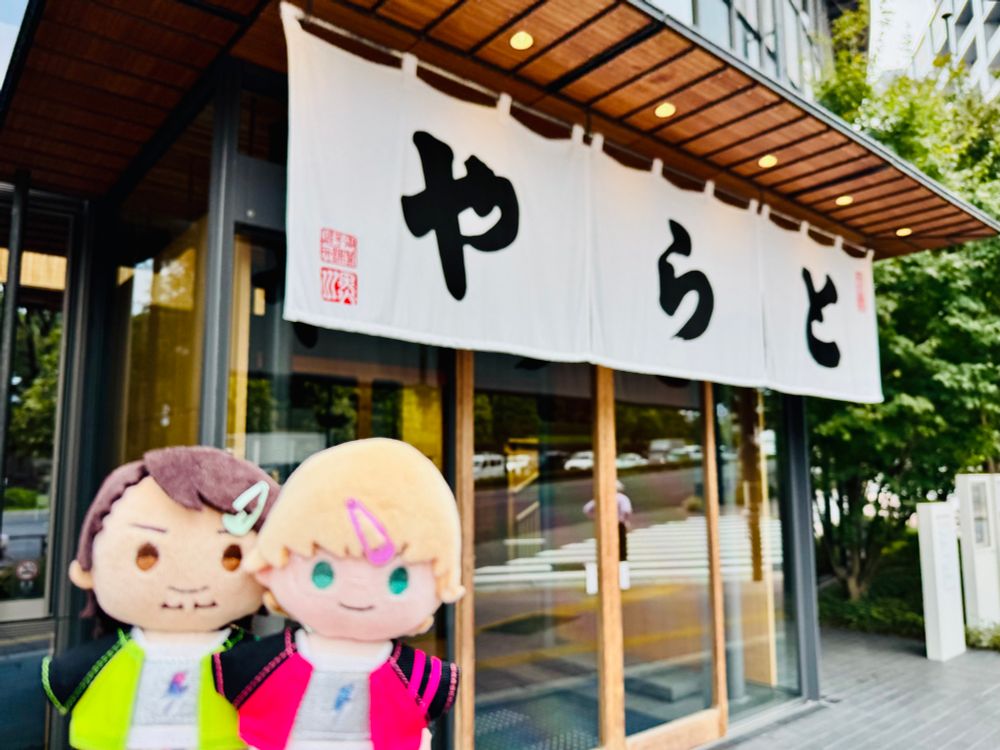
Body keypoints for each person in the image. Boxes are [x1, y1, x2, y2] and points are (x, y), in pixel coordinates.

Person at [213, 438, 463, 750]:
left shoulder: (413, 675)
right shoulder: (265, 661)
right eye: (323, 573)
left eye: (397, 579)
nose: (358, 589)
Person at [40, 446, 279, 750]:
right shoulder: (101, 660)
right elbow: (61, 678)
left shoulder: (251, 660)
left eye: (229, 557)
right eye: (147, 556)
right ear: (89, 568)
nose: (188, 582)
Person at [583, 479, 633, 561]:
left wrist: (595, 517)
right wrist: (625, 520)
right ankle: (621, 558)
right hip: (618, 523)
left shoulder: (601, 498)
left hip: (605, 523)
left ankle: (606, 557)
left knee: (605, 542)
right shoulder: (622, 498)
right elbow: (626, 510)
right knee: (621, 542)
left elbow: (587, 509)